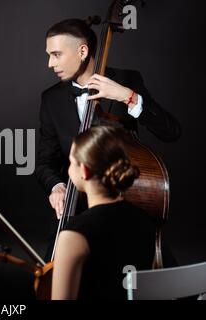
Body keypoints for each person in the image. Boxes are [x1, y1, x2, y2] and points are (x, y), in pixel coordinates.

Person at [35, 18, 181, 220]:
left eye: (56, 55)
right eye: (49, 55)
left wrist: (127, 96)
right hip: (77, 208)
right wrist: (57, 186)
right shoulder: (51, 98)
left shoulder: (126, 81)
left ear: (83, 52)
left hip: (126, 202)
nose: (50, 63)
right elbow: (45, 162)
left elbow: (171, 131)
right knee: (58, 251)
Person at [51, 125, 156, 300]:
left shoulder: (74, 234)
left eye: (71, 162)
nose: (69, 168)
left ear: (84, 170)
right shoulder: (145, 219)